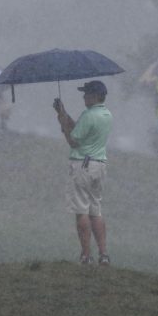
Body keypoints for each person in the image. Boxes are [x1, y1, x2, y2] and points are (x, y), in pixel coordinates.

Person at [53, 80, 113, 266]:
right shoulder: (106, 114)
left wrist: (62, 123)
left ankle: (86, 255)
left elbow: (73, 140)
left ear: (95, 96)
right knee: (96, 210)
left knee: (81, 211)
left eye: (86, 93)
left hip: (82, 164)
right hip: (99, 165)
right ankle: (104, 254)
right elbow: (79, 128)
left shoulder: (88, 115)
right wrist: (63, 114)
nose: (84, 96)